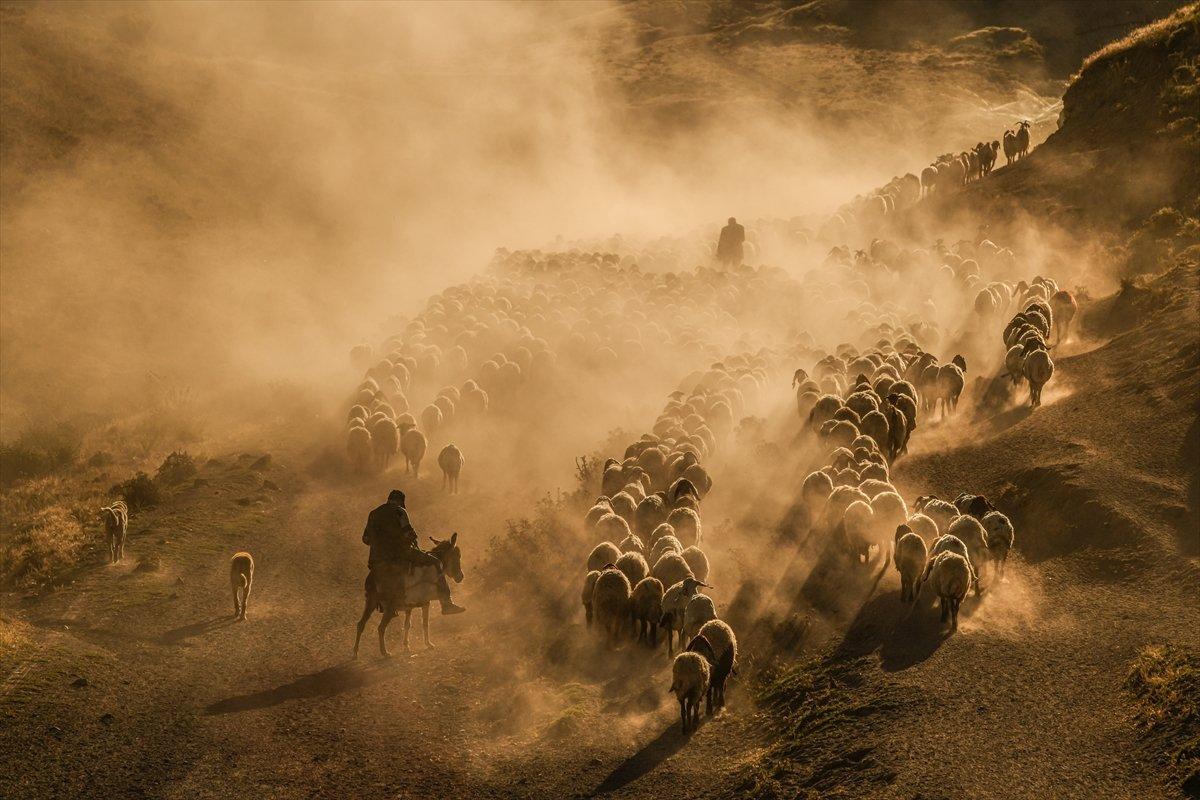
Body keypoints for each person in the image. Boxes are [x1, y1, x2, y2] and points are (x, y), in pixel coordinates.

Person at [362, 489, 465, 615]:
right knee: (437, 562)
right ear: (400, 501)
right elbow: (409, 534)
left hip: (376, 558)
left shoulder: (373, 513)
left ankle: (387, 603)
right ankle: (446, 604)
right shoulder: (400, 511)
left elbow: (365, 539)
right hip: (400, 553)